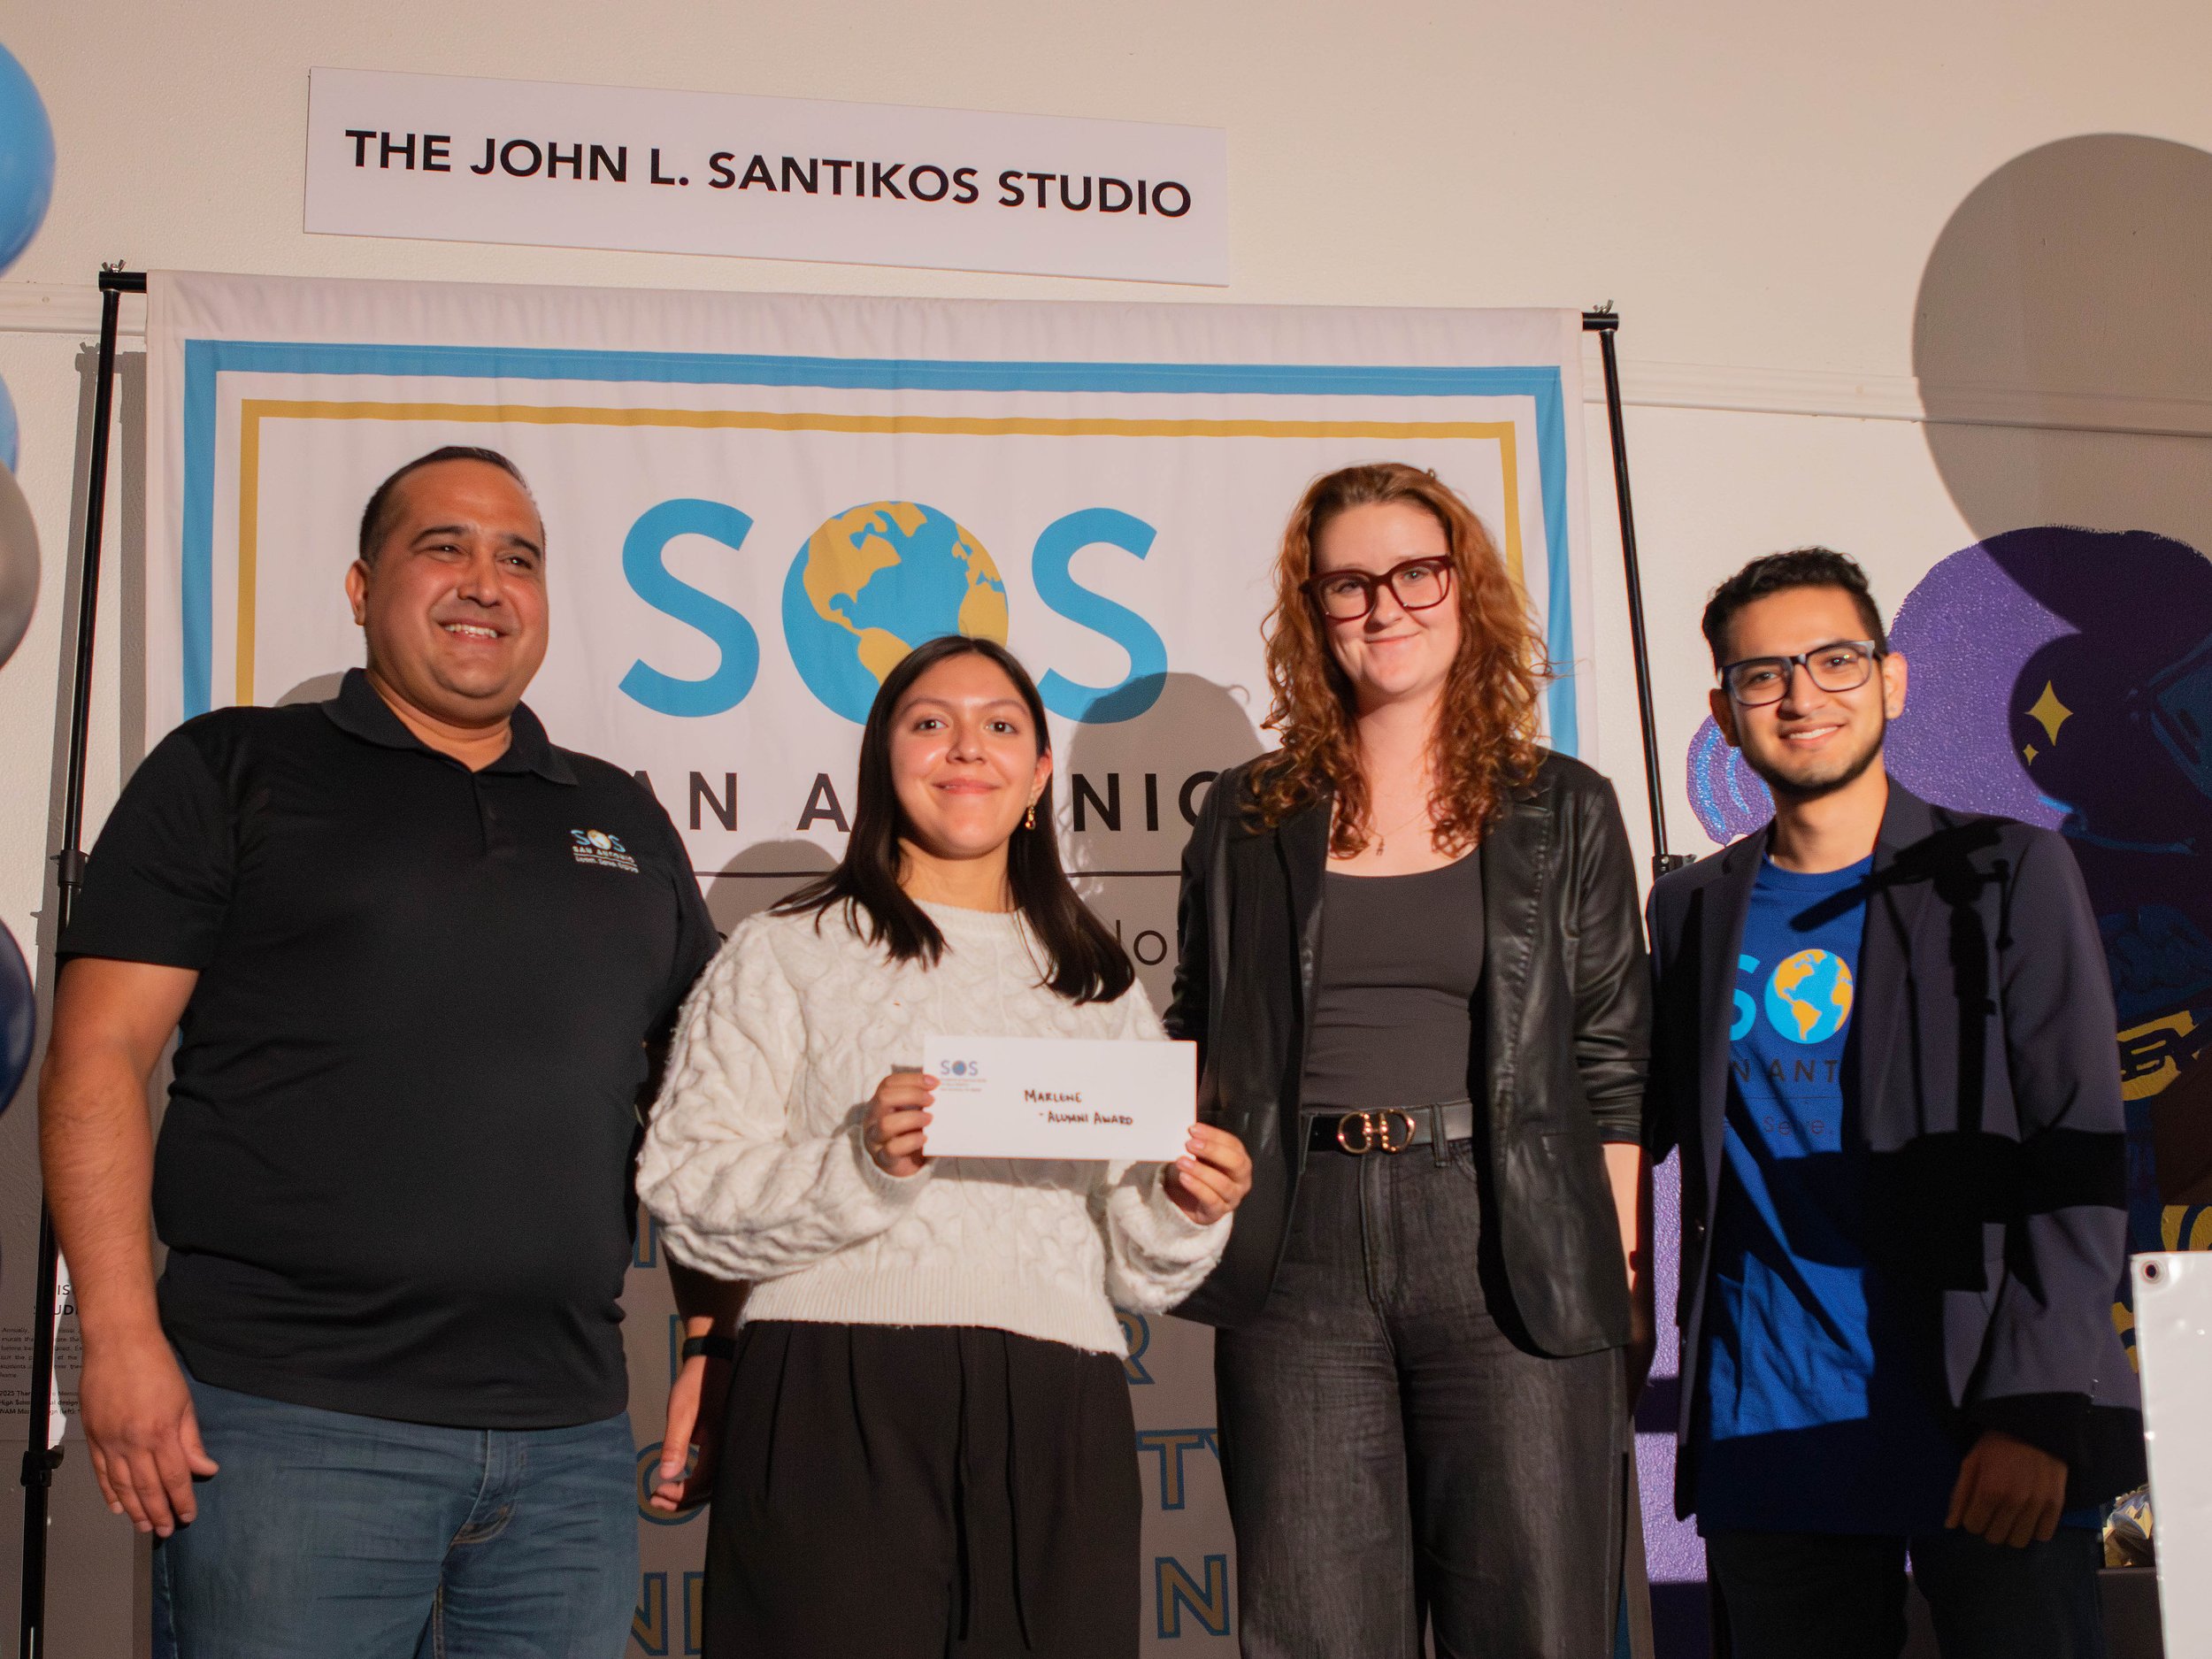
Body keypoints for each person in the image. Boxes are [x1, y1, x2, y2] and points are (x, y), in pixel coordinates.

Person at [39, 446, 718, 1658]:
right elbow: (95, 1056)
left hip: (567, 1441)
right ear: (361, 587)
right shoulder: (232, 769)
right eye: (442, 546)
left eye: (519, 556)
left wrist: (715, 1333)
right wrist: (121, 1339)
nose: (485, 580)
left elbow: (714, 1101)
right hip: (290, 1424)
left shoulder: (619, 813)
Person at [634, 633, 1252, 1659]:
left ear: (1039, 774)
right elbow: (684, 1183)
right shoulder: (786, 950)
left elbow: (1139, 1260)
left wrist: (1186, 1206)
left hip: (1058, 1404)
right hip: (833, 1390)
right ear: (883, 759)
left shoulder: (1096, 984)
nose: (967, 747)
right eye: (931, 723)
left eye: (1000, 725)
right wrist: (858, 1164)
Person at [1165, 462, 1651, 1657]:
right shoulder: (1245, 812)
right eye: (1349, 583)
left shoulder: (1565, 806)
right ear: (1314, 609)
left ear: (1465, 586)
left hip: (1508, 1231)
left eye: (1415, 571)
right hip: (1298, 1250)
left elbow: (1609, 1054)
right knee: (1317, 1626)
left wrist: (1611, 1263)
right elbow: (1196, 1021)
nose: (1385, 605)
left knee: (1535, 1619)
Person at [1644, 548, 2145, 1659]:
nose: (1801, 694)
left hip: (1981, 1420)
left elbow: (2082, 1160)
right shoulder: (1687, 908)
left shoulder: (2008, 871)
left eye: (1834, 658)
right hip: (1768, 1429)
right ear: (1722, 712)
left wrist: (2032, 1408)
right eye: (1762, 673)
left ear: (1893, 678)